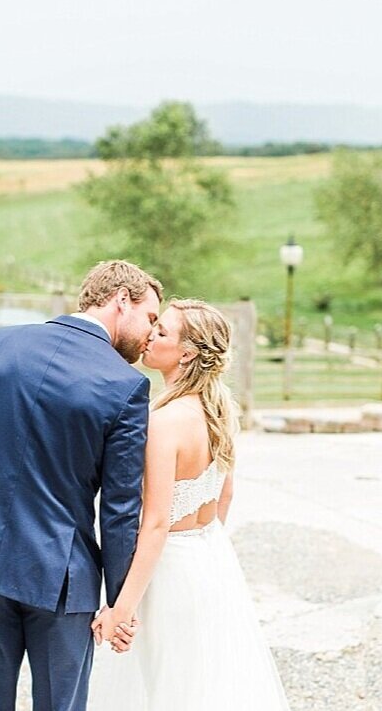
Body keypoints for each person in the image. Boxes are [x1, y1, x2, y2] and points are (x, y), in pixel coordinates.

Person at [0, 260, 162, 711]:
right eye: (151, 317)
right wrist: (117, 602)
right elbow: (118, 510)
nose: (150, 332)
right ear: (121, 300)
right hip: (62, 575)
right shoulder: (126, 385)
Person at [89, 299, 291, 710]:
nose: (149, 336)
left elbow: (157, 524)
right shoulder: (221, 412)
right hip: (210, 561)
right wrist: (205, 548)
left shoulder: (163, 422)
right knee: (205, 683)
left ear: (187, 352)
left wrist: (120, 609)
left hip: (168, 573)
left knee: (167, 686)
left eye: (161, 332)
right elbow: (224, 495)